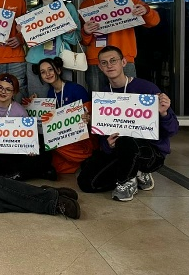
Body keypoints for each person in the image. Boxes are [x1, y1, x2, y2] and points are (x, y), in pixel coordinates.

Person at [77, 46, 179, 201]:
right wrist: (108, 144)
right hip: (120, 150)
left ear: (123, 62)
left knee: (126, 141)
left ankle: (127, 180)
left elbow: (173, 130)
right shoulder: (104, 96)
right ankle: (134, 172)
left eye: (113, 61)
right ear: (100, 67)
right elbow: (104, 139)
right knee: (86, 183)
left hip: (150, 153)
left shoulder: (147, 89)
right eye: (104, 63)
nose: (109, 65)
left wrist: (164, 113)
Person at [78, 0, 160, 93]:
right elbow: (84, 41)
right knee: (98, 101)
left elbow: (154, 21)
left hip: (123, 58)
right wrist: (86, 32)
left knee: (129, 99)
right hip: (96, 61)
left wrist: (146, 11)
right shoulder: (85, 5)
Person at [0, 73, 55, 181]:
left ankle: (12, 174)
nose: (3, 92)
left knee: (45, 152)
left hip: (14, 153)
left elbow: (27, 137)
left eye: (8, 89)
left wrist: (31, 147)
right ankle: (22, 174)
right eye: (0, 87)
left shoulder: (20, 110)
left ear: (14, 92)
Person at [34, 57, 94, 173]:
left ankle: (87, 158)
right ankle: (80, 163)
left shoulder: (76, 89)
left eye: (50, 69)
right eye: (43, 72)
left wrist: (87, 118)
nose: (47, 74)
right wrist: (35, 103)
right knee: (55, 164)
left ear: (58, 70)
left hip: (82, 138)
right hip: (64, 138)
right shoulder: (50, 93)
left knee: (51, 143)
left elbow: (90, 118)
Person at [25, 0, 81, 98]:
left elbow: (77, 38)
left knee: (65, 100)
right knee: (38, 102)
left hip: (61, 61)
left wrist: (68, 32)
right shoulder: (32, 13)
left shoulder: (67, 7)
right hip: (35, 62)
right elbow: (28, 40)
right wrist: (23, 31)